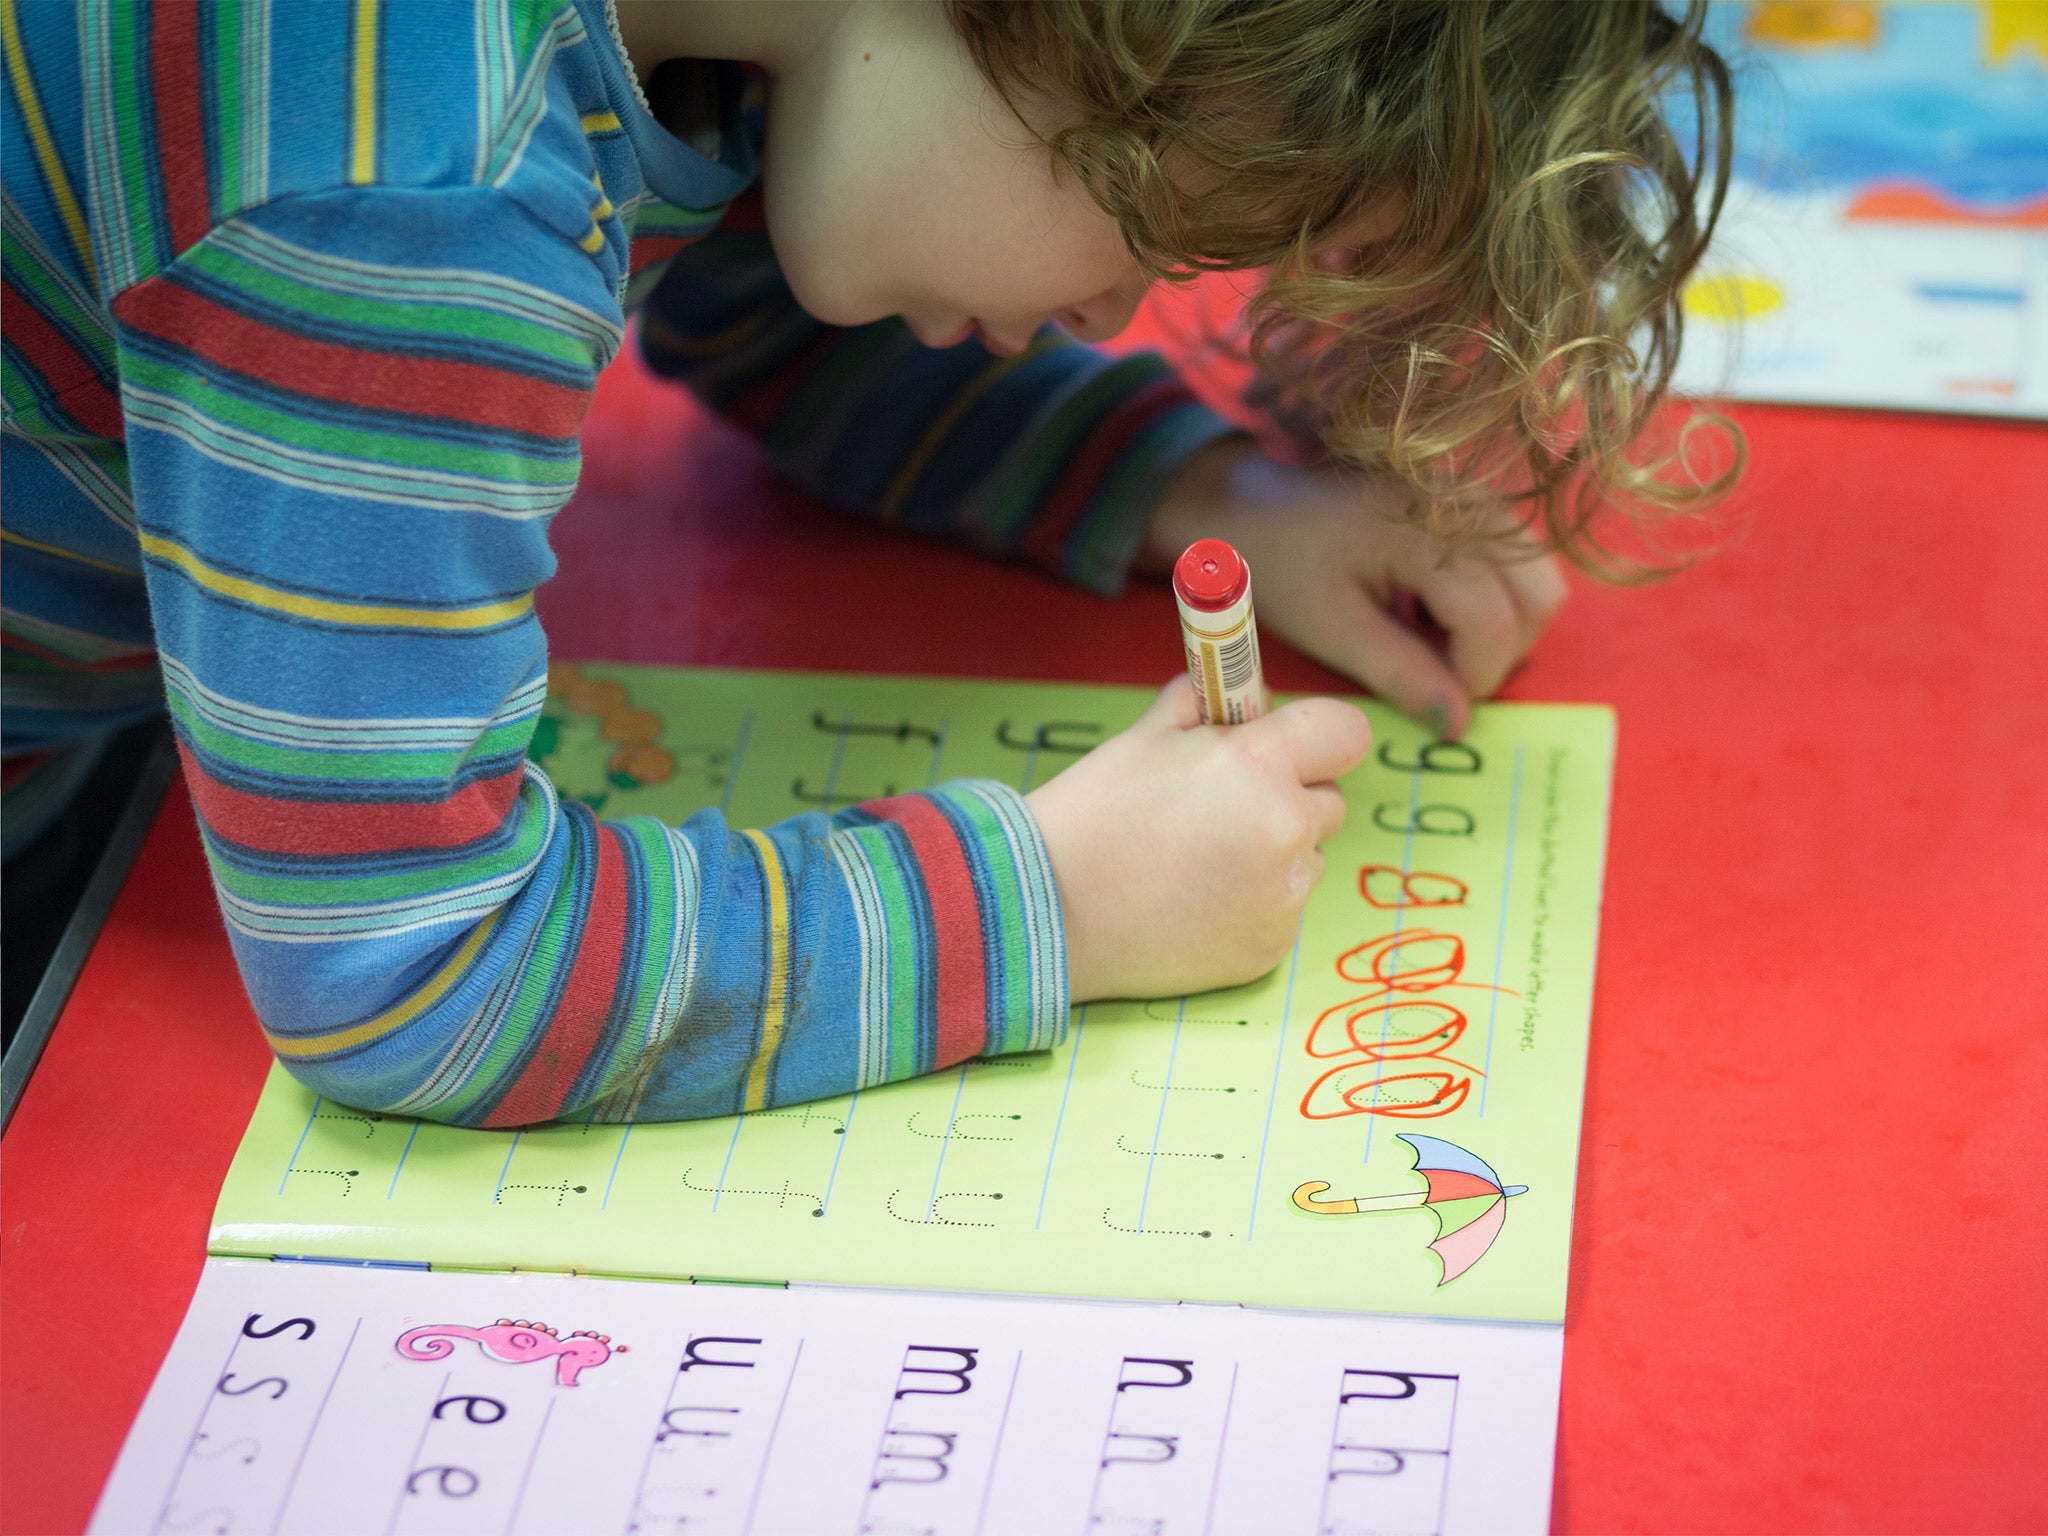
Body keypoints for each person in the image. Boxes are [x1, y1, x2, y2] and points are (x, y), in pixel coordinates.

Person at [0, 0, 1732, 1124]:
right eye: (1148, 230)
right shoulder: (396, 184)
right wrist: (1051, 898)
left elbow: (776, 285)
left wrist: (1188, 485)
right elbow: (417, 968)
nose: (1117, 311)